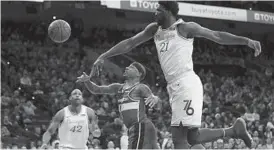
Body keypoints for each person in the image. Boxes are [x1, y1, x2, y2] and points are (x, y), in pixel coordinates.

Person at [91, 1, 261, 149]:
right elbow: (130, 43)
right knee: (192, 137)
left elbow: (217, 36)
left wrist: (246, 41)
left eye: (158, 9)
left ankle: (234, 131)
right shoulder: (154, 29)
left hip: (186, 82)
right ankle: (233, 131)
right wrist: (103, 56)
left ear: (167, 11)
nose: (154, 12)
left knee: (178, 138)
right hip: (174, 86)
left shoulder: (185, 28)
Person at [77, 62, 160, 149]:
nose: (127, 67)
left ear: (139, 74)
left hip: (141, 126)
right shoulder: (118, 88)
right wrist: (87, 81)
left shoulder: (141, 87)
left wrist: (156, 98)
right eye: (128, 66)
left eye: (131, 67)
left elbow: (153, 98)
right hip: (135, 128)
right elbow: (96, 89)